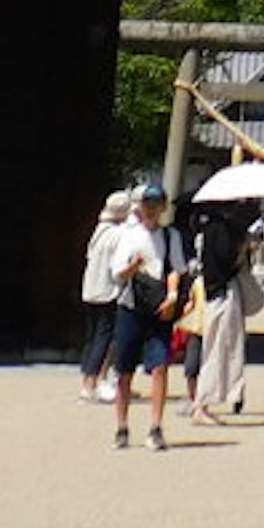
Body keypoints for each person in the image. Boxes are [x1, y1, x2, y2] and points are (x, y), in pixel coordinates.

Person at [103, 179, 182, 451]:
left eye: (156, 205)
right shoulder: (129, 236)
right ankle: (121, 426)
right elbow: (117, 274)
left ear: (162, 207)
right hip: (131, 307)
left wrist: (172, 296)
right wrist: (133, 266)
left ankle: (156, 426)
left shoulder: (171, 236)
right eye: (147, 204)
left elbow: (175, 269)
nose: (151, 210)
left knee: (160, 367)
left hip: (159, 308)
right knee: (124, 370)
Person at [187, 203, 259, 422]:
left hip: (216, 293)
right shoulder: (222, 232)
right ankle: (202, 403)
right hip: (221, 293)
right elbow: (227, 263)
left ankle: (206, 400)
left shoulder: (210, 230)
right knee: (218, 348)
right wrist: (242, 248)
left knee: (218, 347)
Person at [76, 187, 134, 400]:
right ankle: (93, 382)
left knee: (92, 337)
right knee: (105, 338)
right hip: (108, 290)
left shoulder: (99, 231)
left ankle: (89, 379)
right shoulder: (119, 234)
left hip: (91, 289)